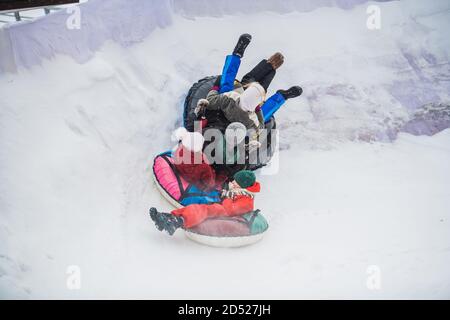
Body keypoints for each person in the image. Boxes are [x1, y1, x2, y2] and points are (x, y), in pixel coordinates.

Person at [195, 33, 303, 135]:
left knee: (229, 85)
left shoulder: (228, 99)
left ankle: (239, 54)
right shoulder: (247, 117)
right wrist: (257, 110)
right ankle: (282, 94)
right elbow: (259, 127)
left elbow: (211, 99)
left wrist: (216, 87)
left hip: (234, 103)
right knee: (258, 103)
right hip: (240, 111)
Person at [149, 170, 260, 235]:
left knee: (201, 210)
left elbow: (229, 209)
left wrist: (227, 197)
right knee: (196, 206)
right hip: (219, 206)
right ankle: (167, 217)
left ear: (243, 185)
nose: (233, 183)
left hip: (223, 212)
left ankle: (177, 221)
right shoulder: (238, 192)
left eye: (236, 182)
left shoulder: (247, 200)